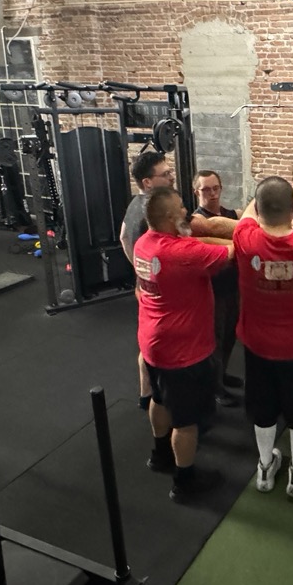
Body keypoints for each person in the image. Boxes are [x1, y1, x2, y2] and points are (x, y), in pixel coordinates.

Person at [133, 187, 234, 502]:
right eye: (179, 208)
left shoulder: (144, 243)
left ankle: (160, 454)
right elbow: (234, 252)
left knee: (159, 399)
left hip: (153, 343)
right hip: (183, 352)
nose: (186, 211)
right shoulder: (181, 253)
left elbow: (195, 243)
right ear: (167, 216)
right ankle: (184, 480)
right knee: (187, 423)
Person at [233, 177, 293, 500]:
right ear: (292, 210)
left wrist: (259, 198)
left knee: (263, 406)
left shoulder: (245, 238)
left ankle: (264, 467)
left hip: (258, 345)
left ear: (259, 210)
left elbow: (248, 216)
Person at [121, 152, 177, 413]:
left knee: (147, 341)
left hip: (143, 285)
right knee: (165, 344)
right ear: (147, 182)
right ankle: (165, 400)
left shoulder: (135, 203)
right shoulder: (155, 212)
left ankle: (146, 394)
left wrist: (139, 269)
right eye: (165, 174)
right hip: (160, 289)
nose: (171, 177)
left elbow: (123, 237)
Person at [193, 170, 243, 407]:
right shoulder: (196, 222)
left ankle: (221, 375)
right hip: (212, 292)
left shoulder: (231, 216)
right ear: (196, 192)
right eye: (206, 189)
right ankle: (215, 388)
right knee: (215, 339)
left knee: (230, 335)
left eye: (216, 188)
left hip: (233, 287)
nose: (212, 194)